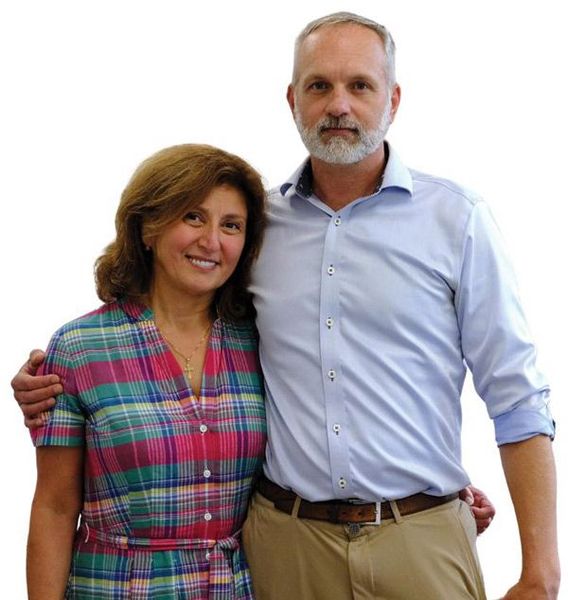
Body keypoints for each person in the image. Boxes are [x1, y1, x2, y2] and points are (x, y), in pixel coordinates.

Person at [12, 11, 530, 600]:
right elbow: (61, 498)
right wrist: (43, 381)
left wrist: (437, 502)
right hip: (226, 563)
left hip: (370, 550)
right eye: (319, 85)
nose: (213, 241)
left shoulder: (452, 221)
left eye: (359, 84)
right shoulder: (90, 346)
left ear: (393, 98)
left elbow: (498, 392)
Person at [23, 143, 267, 599]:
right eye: (193, 217)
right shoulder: (79, 349)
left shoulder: (259, 343)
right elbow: (55, 508)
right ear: (147, 228)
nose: (212, 241)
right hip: (116, 587)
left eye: (230, 225)